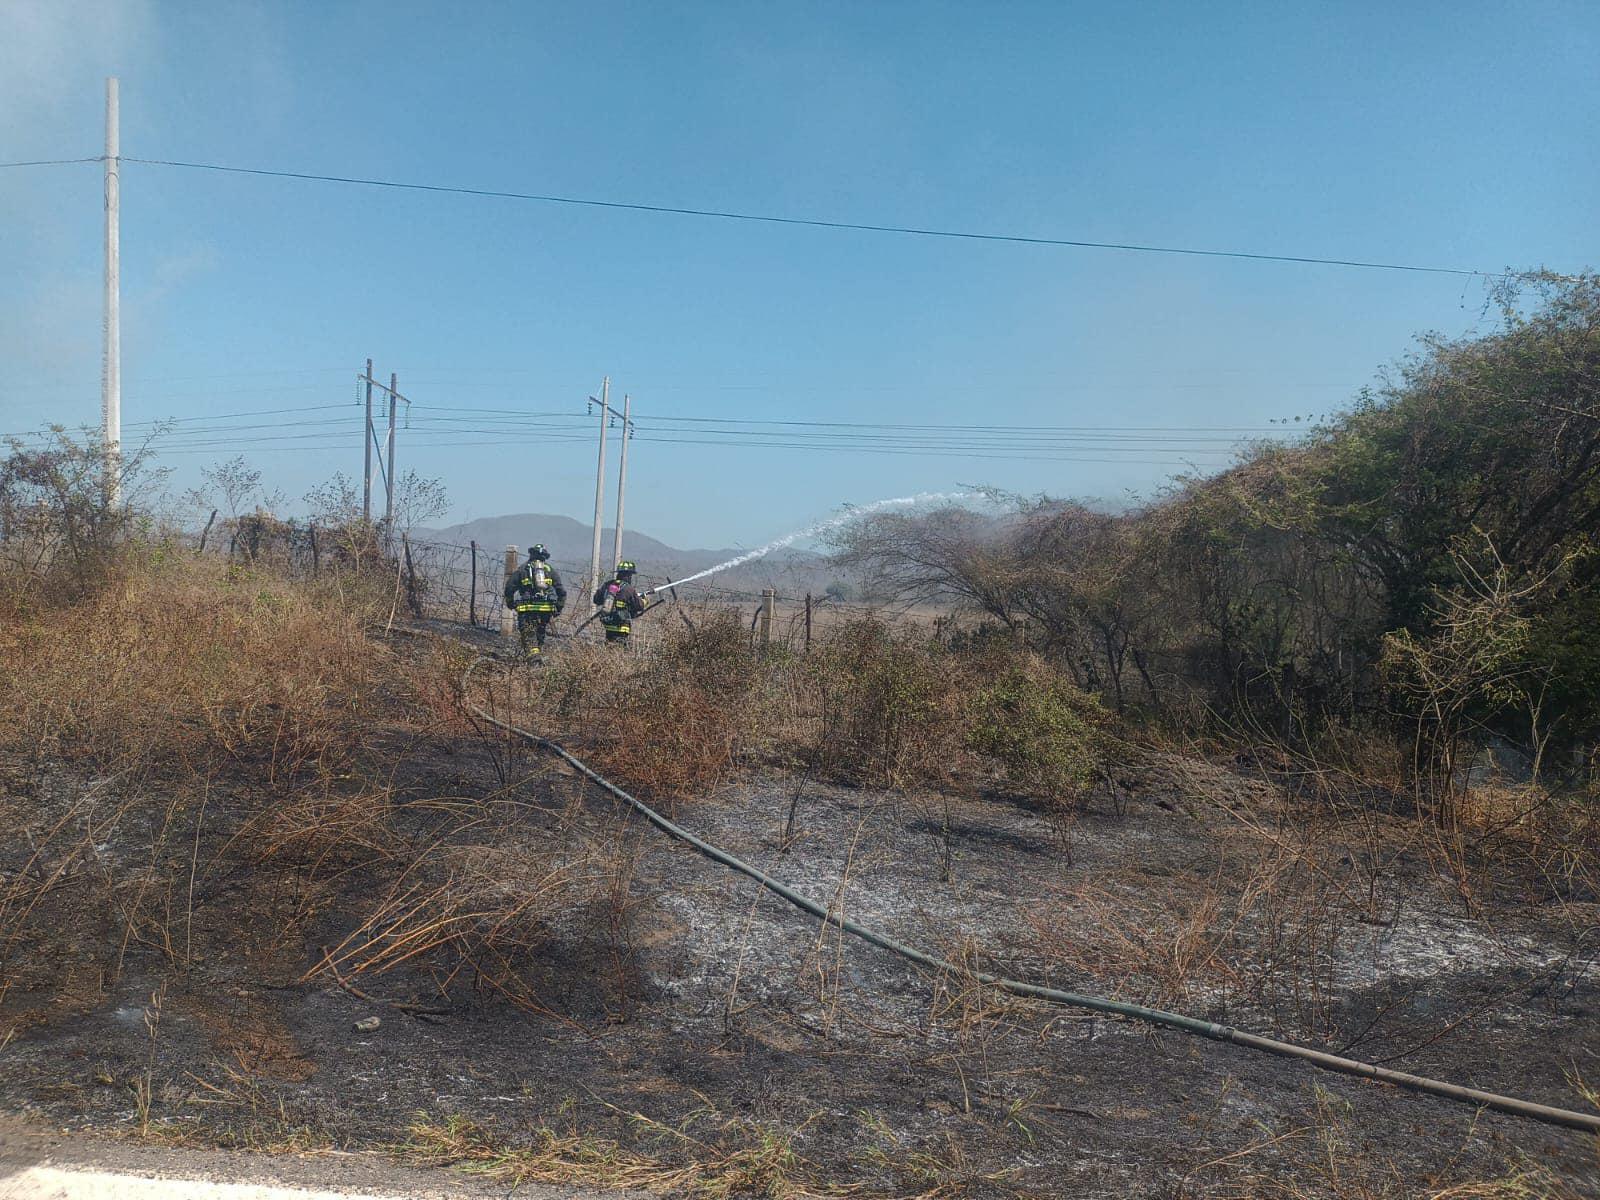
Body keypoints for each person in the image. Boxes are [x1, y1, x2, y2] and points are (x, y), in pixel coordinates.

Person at [504, 544, 565, 658]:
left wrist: (510, 603)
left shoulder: (523, 569)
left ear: (531, 554)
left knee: (528, 635)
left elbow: (509, 588)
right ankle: (538, 658)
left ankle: (534, 660)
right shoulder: (550, 570)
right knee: (540, 634)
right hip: (545, 610)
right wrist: (558, 608)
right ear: (544, 557)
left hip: (527, 609)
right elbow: (561, 591)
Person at [592, 560, 648, 646]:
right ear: (629, 575)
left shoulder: (608, 585)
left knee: (609, 647)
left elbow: (596, 600)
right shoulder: (629, 589)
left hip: (608, 625)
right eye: (630, 575)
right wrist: (645, 600)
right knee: (619, 650)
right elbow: (639, 606)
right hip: (622, 627)